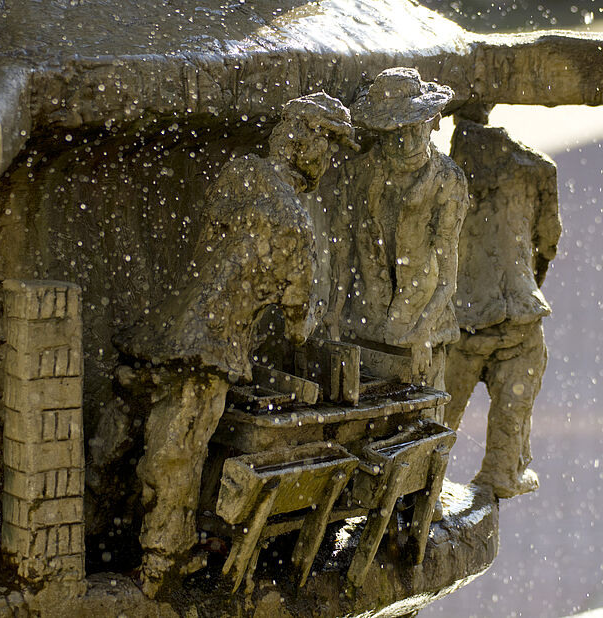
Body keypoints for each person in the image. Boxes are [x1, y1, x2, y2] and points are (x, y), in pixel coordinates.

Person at [111, 92, 357, 597]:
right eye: (328, 147)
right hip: (210, 347)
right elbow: (298, 328)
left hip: (162, 328)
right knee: (179, 453)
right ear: (306, 144)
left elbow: (217, 236)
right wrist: (316, 308)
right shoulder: (296, 225)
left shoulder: (240, 172)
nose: (329, 161)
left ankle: (99, 521)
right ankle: (163, 564)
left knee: (119, 436)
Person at [444, 106, 562, 499]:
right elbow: (549, 240)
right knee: (515, 400)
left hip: (462, 318)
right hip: (517, 313)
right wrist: (526, 279)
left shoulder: (445, 173)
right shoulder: (535, 167)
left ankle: (423, 481)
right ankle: (501, 468)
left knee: (441, 410)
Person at [327, 68, 469, 391]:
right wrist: (334, 314)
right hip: (366, 329)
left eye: (414, 127)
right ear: (379, 132)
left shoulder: (448, 180)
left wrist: (424, 333)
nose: (406, 142)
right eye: (394, 132)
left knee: (425, 429)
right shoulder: (356, 175)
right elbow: (342, 254)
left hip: (424, 335)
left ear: (432, 122)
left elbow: (448, 278)